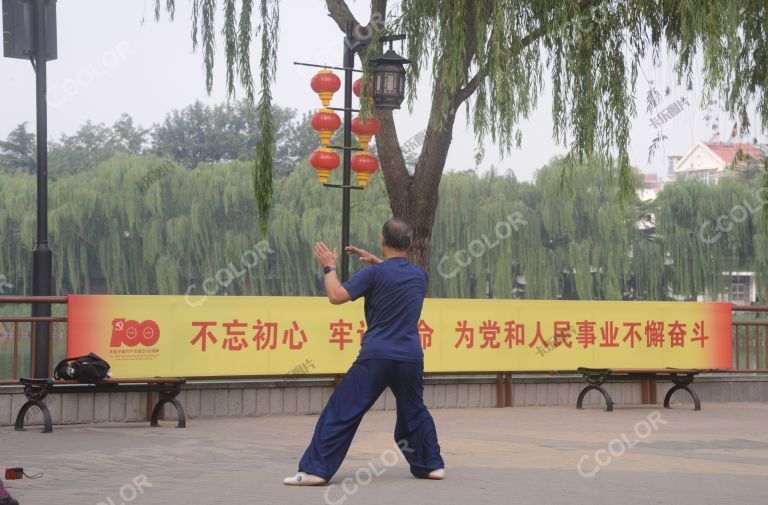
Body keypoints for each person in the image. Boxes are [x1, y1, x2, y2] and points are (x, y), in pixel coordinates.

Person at [284, 218, 445, 486]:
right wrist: (376, 262)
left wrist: (329, 267)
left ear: (382, 241)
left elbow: (336, 295)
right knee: (414, 410)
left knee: (343, 409)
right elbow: (396, 275)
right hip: (410, 357)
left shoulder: (373, 275)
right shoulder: (419, 276)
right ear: (409, 244)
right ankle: (432, 465)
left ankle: (315, 470)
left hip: (376, 356)